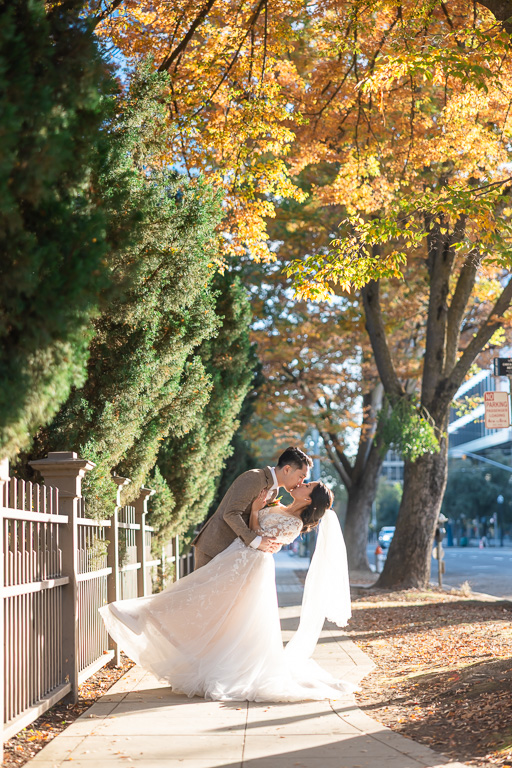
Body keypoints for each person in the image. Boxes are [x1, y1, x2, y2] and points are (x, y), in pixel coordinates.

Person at [99, 477, 354, 702]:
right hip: (235, 558)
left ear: (309, 499)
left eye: (306, 485)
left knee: (209, 603)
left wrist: (255, 511)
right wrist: (257, 510)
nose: (301, 484)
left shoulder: (294, 524)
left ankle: (147, 617)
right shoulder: (279, 506)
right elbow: (255, 535)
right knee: (200, 595)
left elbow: (258, 538)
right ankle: (147, 617)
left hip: (249, 567)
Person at [192, 446, 313, 569]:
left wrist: (274, 542)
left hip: (231, 553)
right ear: (287, 469)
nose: (301, 483)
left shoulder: (274, 491)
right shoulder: (255, 478)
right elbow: (231, 513)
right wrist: (256, 541)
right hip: (214, 547)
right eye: (301, 477)